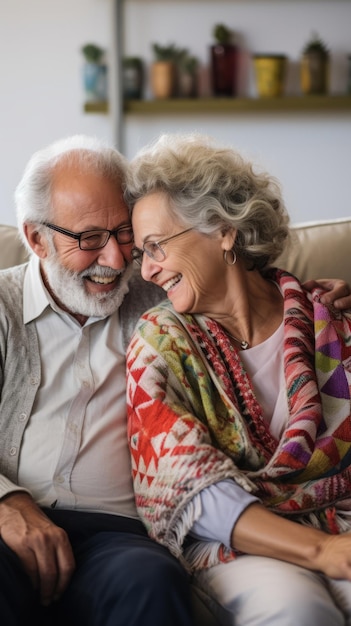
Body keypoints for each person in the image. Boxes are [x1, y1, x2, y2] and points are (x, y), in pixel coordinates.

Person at [125, 131, 351, 626]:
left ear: (223, 231)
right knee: (298, 613)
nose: (148, 271)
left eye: (156, 247)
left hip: (343, 519)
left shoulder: (326, 319)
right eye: (143, 253)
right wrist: (322, 551)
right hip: (239, 541)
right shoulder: (161, 341)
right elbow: (185, 483)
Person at [0, 134, 196, 626]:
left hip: (118, 537)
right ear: (36, 238)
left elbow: (237, 289)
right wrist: (7, 505)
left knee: (151, 583)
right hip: (7, 524)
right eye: (89, 239)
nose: (114, 259)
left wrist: (307, 298)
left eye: (124, 233)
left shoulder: (160, 297)